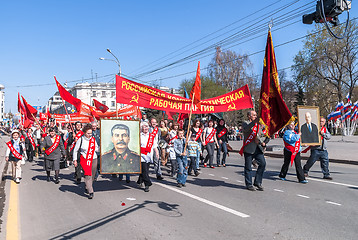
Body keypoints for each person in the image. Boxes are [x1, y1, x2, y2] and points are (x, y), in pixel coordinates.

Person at [241, 110, 270, 191]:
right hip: (249, 149)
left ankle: (257, 182)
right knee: (248, 167)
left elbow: (261, 135)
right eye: (253, 115)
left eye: (256, 115)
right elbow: (246, 129)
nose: (255, 116)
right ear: (249, 116)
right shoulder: (245, 123)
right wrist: (254, 122)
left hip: (258, 148)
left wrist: (262, 142)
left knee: (263, 164)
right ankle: (249, 184)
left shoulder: (258, 125)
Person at [73, 124, 99, 199]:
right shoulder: (81, 139)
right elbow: (75, 150)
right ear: (84, 132)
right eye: (88, 133)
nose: (90, 135)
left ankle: (87, 186)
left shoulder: (93, 139)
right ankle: (91, 192)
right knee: (88, 175)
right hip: (85, 159)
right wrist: (75, 160)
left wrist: (101, 149)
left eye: (91, 133)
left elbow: (96, 148)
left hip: (93, 158)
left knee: (93, 176)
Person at [138, 122, 159, 192]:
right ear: (142, 128)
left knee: (145, 170)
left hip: (149, 155)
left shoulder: (151, 136)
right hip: (142, 155)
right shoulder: (139, 136)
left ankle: (139, 181)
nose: (146, 128)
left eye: (147, 127)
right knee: (145, 171)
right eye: (144, 127)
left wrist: (157, 153)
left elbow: (154, 146)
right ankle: (147, 184)